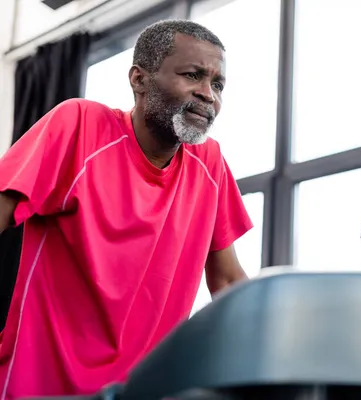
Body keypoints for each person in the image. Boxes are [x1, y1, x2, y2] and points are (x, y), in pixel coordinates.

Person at [0, 19, 253, 399]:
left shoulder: (210, 163)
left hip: (141, 390)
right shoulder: (80, 126)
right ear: (139, 79)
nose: (208, 95)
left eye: (217, 85)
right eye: (193, 76)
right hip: (39, 385)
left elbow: (228, 281)